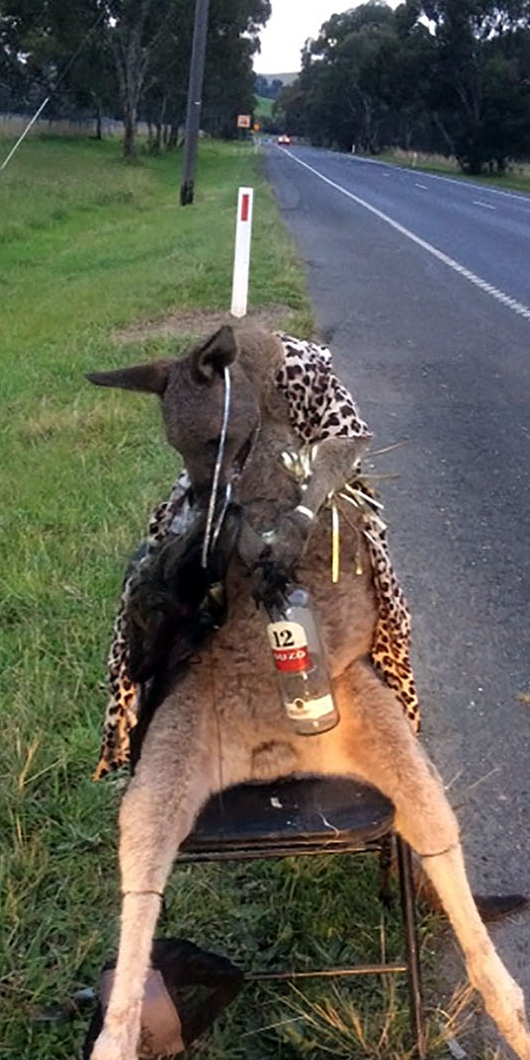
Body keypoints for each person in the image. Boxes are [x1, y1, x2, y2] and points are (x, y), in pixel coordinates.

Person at [94, 333, 419, 780]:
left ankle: (381, 699)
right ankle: (151, 709)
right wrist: (231, 522)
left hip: (319, 489)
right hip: (234, 488)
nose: (201, 460)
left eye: (210, 446)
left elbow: (346, 443)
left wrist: (303, 516)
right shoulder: (205, 411)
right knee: (158, 570)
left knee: (371, 579)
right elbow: (208, 479)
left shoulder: (299, 372)